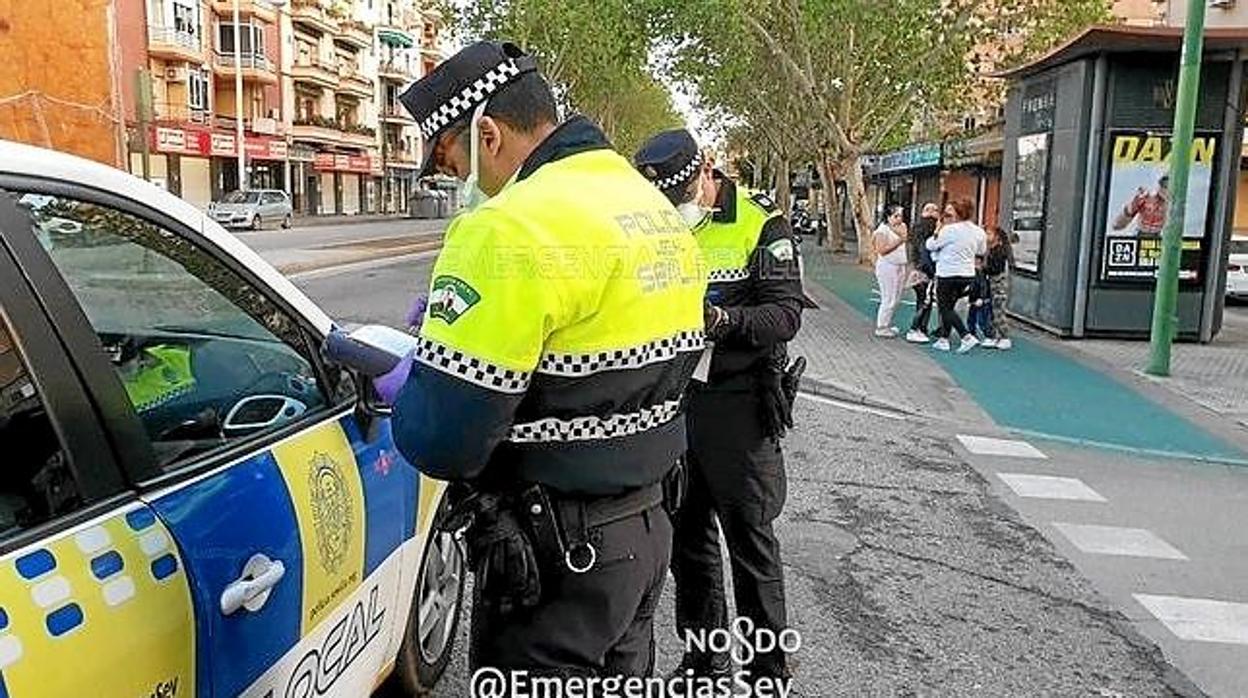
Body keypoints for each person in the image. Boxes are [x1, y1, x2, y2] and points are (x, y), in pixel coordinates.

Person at [382, 41, 707, 677]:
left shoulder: (506, 228)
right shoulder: (652, 211)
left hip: (554, 560)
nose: (460, 186)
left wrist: (410, 381)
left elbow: (444, 440)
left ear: (487, 133)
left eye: (452, 163)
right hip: (644, 535)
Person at [634, 129, 808, 683]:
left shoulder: (761, 221)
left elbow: (785, 315)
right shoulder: (654, 224)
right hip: (677, 402)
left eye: (684, 191)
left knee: (750, 543)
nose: (677, 206)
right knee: (689, 542)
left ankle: (767, 671)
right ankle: (704, 664)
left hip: (739, 405)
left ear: (707, 170)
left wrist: (723, 321)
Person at [926, 198, 987, 353]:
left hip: (947, 273)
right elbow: (981, 251)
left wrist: (937, 230)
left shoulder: (949, 230)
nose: (946, 215)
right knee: (950, 306)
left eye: (950, 212)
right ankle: (943, 338)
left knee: (945, 307)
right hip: (967, 274)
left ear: (958, 213)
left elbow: (931, 245)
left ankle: (966, 336)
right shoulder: (978, 231)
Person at [872, 205, 909, 337]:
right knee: (889, 297)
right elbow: (881, 250)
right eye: (896, 216)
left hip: (900, 265)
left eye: (901, 216)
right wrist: (899, 241)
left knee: (896, 297)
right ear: (888, 217)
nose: (899, 219)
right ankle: (881, 327)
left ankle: (887, 324)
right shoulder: (882, 230)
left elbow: (905, 236)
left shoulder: (902, 227)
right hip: (887, 266)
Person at [905, 202, 940, 343]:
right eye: (928, 210)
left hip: (920, 270)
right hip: (925, 271)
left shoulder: (917, 229)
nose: (932, 213)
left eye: (935, 209)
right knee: (925, 301)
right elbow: (923, 252)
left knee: (924, 300)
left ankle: (921, 328)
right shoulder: (928, 232)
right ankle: (916, 328)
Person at [984, 225, 1014, 350]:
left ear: (997, 236)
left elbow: (995, 269)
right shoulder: (992, 249)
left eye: (989, 234)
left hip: (998, 284)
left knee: (998, 310)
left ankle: (1004, 336)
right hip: (993, 283)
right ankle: (994, 336)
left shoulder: (1000, 251)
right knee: (993, 310)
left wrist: (982, 268)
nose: (986, 236)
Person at [965, 257, 994, 343]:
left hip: (981, 300)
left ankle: (989, 336)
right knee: (971, 318)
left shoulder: (982, 274)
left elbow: (983, 286)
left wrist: (982, 298)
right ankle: (972, 335)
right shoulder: (973, 272)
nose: (975, 265)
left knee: (982, 319)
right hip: (974, 299)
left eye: (977, 263)